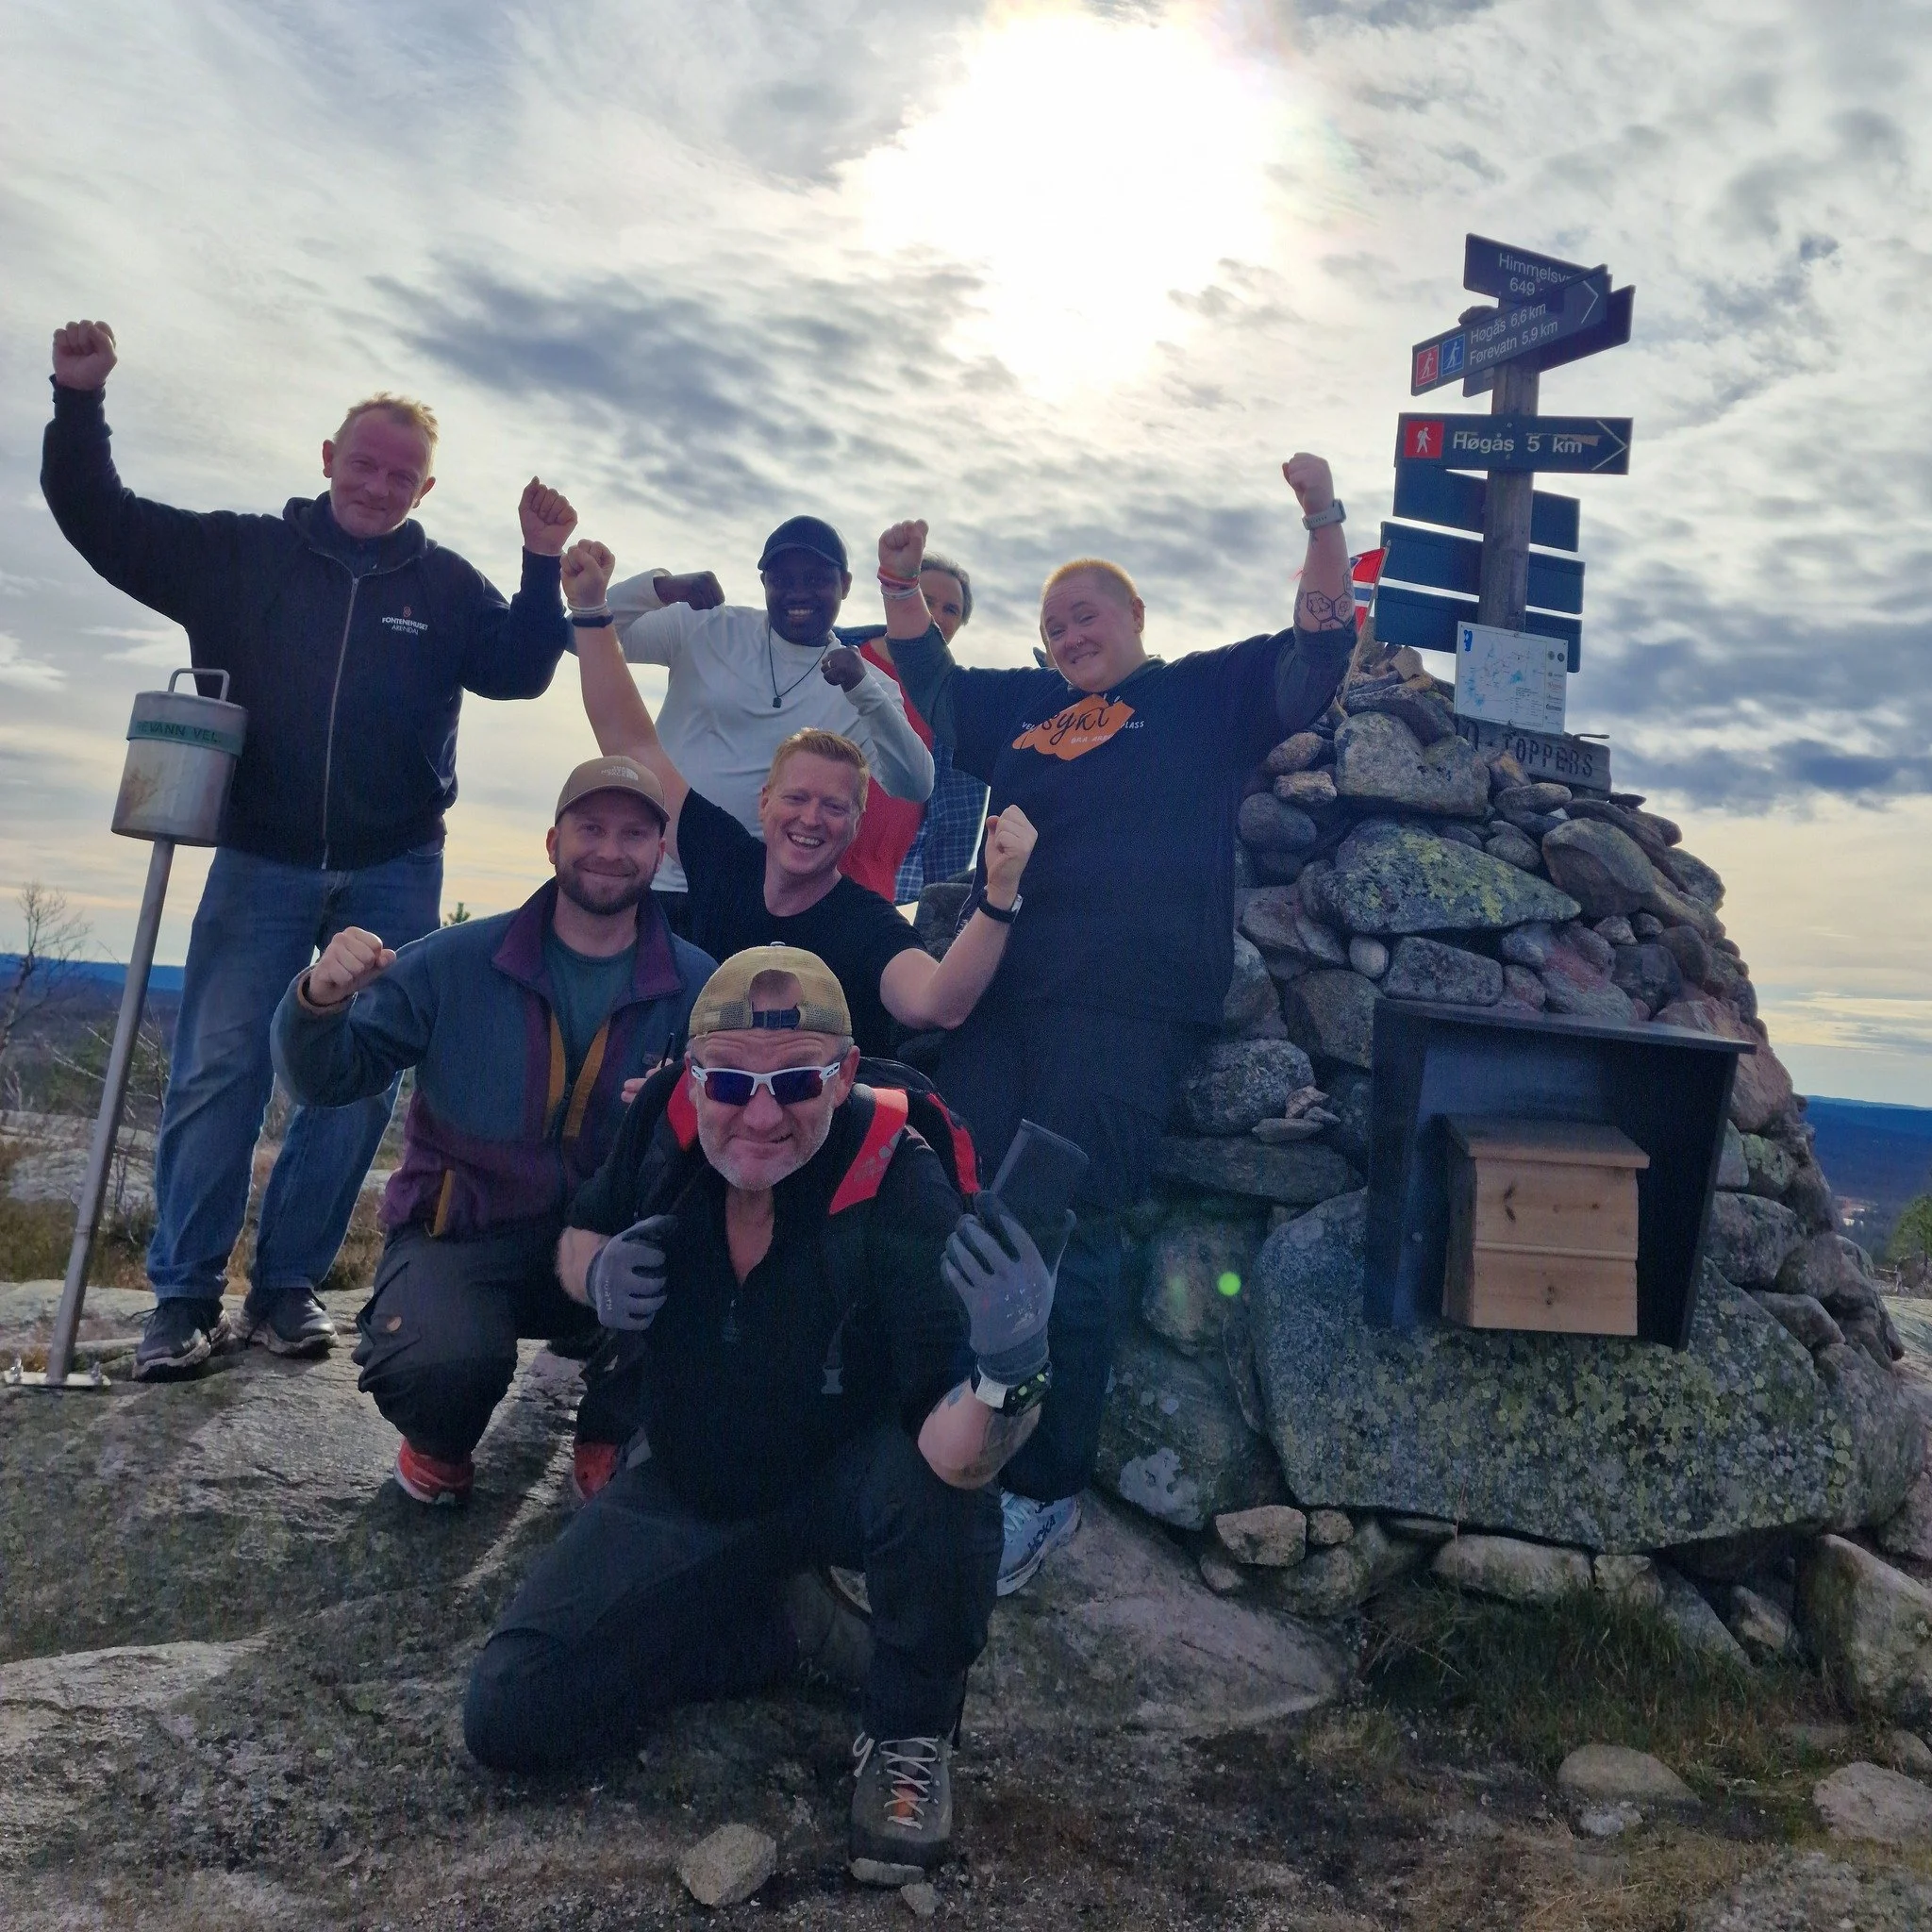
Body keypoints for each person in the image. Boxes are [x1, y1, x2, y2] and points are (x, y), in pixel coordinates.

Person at [41, 319, 581, 1383]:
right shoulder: (242, 554)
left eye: (403, 475)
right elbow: (99, 519)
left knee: (355, 1081)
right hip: (261, 860)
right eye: (365, 463)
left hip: (393, 864)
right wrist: (78, 398)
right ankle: (184, 1299)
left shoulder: (444, 584)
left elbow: (520, 668)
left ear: (424, 492)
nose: (380, 485)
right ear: (327, 458)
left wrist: (540, 560)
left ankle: (285, 1287)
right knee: (217, 1071)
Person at [462, 946, 1062, 1885]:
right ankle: (784, 1623)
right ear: (694, 1072)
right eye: (731, 1079)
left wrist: (1009, 1373)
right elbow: (583, 1229)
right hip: (688, 1478)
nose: (760, 1110)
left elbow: (955, 1463)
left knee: (935, 1500)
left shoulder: (897, 1179)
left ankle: (910, 1728)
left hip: (846, 1479)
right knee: (509, 1713)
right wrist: (599, 1275)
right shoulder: (663, 1120)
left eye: (795, 1080)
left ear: (845, 1074)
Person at [882, 454, 1357, 1592]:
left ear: (1135, 614)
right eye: (1050, 624)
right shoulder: (1027, 710)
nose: (1063, 634)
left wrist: (1321, 519)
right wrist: (900, 585)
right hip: (1001, 994)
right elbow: (934, 691)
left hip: (1123, 1005)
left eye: (1083, 613)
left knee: (1072, 1233)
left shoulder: (1198, 694)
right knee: (960, 1210)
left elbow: (1317, 657)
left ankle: (1040, 1493)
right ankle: (949, 1448)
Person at [270, 756, 714, 1505]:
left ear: (660, 853)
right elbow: (326, 1080)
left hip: (615, 1249)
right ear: (552, 842)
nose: (611, 848)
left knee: (716, 1302)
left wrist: (689, 1111)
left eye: (634, 833)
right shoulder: (456, 961)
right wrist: (317, 1000)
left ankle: (613, 1424)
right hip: (466, 1237)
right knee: (436, 1364)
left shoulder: (700, 985)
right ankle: (438, 1436)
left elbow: (747, 1135)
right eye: (591, 828)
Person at [566, 538, 1035, 1058]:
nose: (811, 818)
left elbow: (936, 1003)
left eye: (833, 807)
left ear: (857, 820)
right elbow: (630, 740)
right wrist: (589, 607)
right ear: (764, 802)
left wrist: (999, 896)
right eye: (796, 799)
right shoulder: (723, 860)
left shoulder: (863, 923)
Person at [602, 515, 934, 924]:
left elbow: (915, 783)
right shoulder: (705, 626)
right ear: (764, 584)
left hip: (753, 900)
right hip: (643, 878)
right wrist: (662, 588)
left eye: (815, 579)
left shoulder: (867, 687)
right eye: (782, 579)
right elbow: (586, 633)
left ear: (845, 585)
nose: (798, 592)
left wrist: (863, 690)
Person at [833, 552, 990, 902]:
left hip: (878, 875)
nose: (936, 615)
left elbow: (955, 822)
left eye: (952, 610)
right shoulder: (832, 650)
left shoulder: (955, 704)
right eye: (925, 599)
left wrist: (941, 904)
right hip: (799, 845)